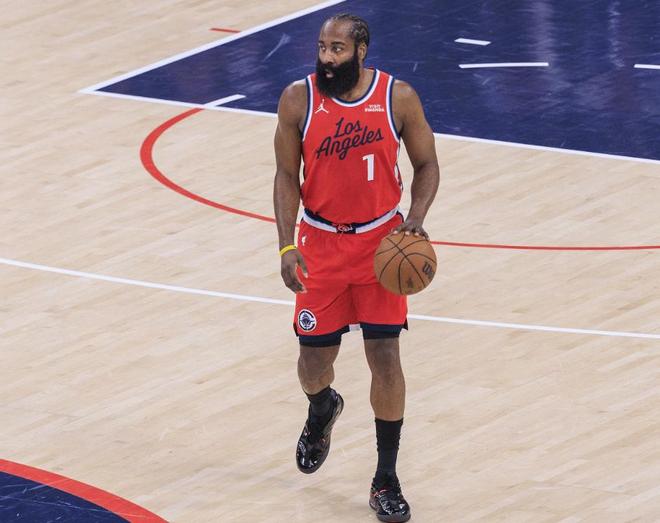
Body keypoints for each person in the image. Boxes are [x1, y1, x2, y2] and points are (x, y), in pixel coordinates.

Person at [273, 13, 439, 522]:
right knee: (312, 366)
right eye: (322, 47)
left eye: (337, 49)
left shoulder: (398, 97)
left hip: (380, 244)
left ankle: (385, 478)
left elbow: (427, 164)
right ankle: (323, 406)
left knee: (385, 358)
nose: (327, 58)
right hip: (319, 245)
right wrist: (285, 245)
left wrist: (415, 220)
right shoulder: (298, 99)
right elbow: (285, 174)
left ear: (361, 51)